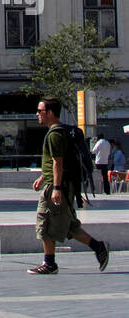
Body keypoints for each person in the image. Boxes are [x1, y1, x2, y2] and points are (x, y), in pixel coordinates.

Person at [28, 98, 109, 275]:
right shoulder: (60, 131)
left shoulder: (55, 134)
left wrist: (55, 188)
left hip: (57, 186)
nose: (37, 114)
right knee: (70, 226)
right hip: (60, 183)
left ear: (49, 113)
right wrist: (43, 177)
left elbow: (58, 162)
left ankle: (49, 264)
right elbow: (56, 162)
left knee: (45, 222)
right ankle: (99, 247)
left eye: (40, 111)